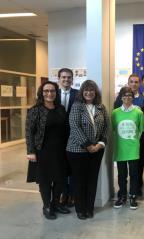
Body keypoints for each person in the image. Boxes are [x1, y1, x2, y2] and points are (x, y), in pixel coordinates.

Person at [26, 81, 70, 220]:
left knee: (60, 179)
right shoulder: (35, 110)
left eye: (52, 91)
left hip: (60, 151)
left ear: (56, 93)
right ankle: (46, 206)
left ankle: (56, 203)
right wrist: (30, 151)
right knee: (45, 180)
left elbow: (66, 129)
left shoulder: (60, 109)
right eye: (46, 91)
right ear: (42, 93)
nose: (49, 93)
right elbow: (29, 132)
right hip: (42, 151)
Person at [66, 80, 108, 220]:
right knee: (79, 181)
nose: (89, 92)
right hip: (77, 150)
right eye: (86, 90)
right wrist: (88, 145)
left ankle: (89, 208)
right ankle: (80, 209)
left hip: (97, 150)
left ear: (95, 92)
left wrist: (100, 144)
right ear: (82, 92)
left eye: (92, 90)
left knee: (92, 180)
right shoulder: (77, 106)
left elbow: (107, 128)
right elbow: (75, 127)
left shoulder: (101, 107)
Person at [114, 74, 144, 196]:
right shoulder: (117, 104)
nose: (134, 84)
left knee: (137, 166)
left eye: (136, 82)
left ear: (139, 84)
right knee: (122, 171)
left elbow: (143, 122)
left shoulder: (142, 100)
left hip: (135, 140)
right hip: (122, 142)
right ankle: (122, 193)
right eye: (131, 82)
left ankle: (136, 189)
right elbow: (115, 125)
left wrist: (141, 137)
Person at [58, 67, 79, 207]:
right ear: (59, 79)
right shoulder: (53, 93)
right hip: (57, 137)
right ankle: (62, 193)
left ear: (72, 79)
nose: (66, 79)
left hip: (73, 136)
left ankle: (72, 194)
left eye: (69, 77)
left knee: (72, 166)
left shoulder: (78, 94)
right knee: (60, 166)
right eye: (63, 77)